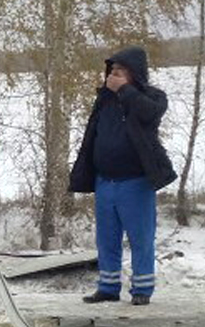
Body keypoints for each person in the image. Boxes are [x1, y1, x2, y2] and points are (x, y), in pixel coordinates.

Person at [69, 45, 175, 306]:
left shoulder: (152, 97)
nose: (112, 75)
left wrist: (125, 91)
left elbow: (150, 114)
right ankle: (107, 287)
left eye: (120, 71)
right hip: (105, 181)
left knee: (140, 238)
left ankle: (142, 289)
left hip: (135, 183)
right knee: (106, 239)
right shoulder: (104, 101)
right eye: (111, 70)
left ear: (133, 74)